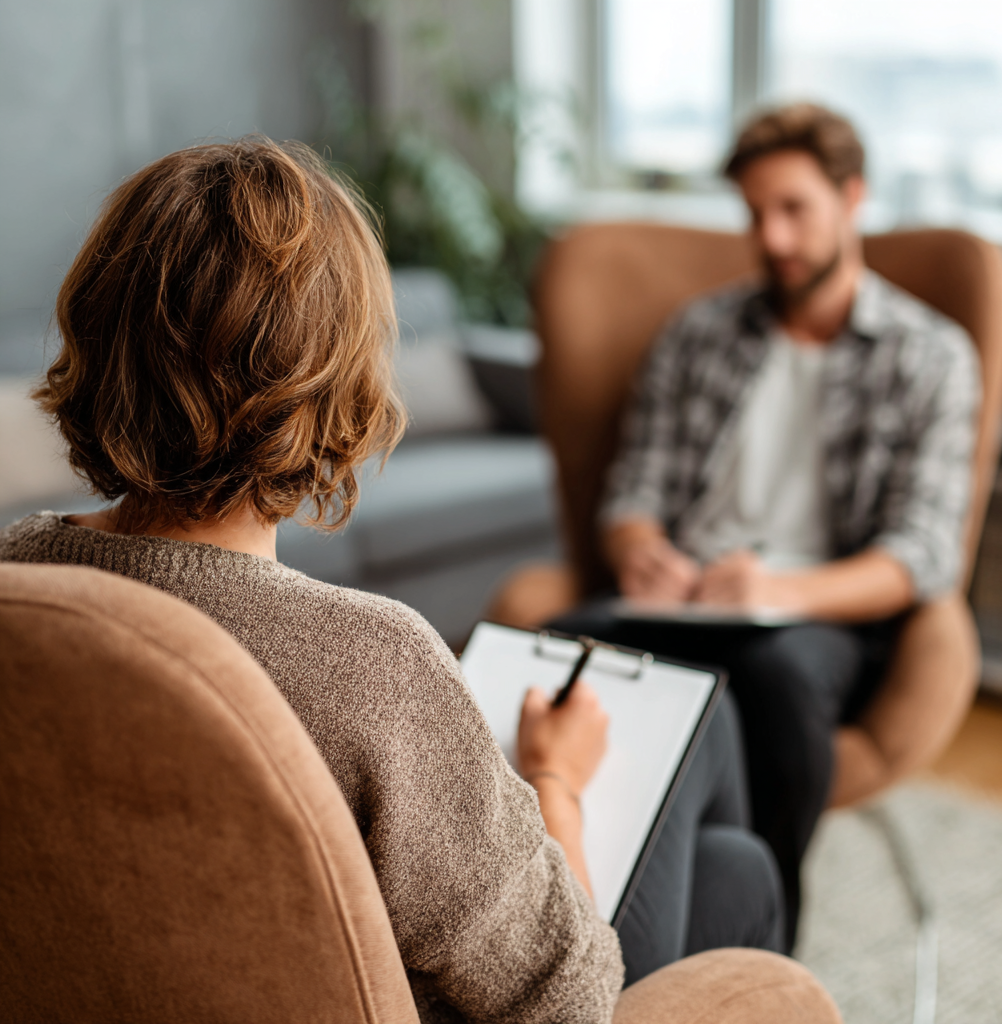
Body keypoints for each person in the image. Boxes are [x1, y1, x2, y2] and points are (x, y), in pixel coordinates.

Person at [0, 137, 787, 1022]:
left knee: (731, 867)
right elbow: (569, 1002)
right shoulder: (375, 665)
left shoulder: (18, 578)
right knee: (727, 815)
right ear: (339, 383)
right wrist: (555, 779)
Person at [556, 104, 980, 952]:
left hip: (822, 612)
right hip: (683, 597)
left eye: (794, 210)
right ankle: (560, 929)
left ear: (852, 197)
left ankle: (764, 949)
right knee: (548, 649)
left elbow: (922, 552)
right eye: (755, 214)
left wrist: (777, 589)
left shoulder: (929, 356)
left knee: (779, 677)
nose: (773, 238)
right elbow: (632, 491)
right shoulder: (699, 334)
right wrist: (640, 552)